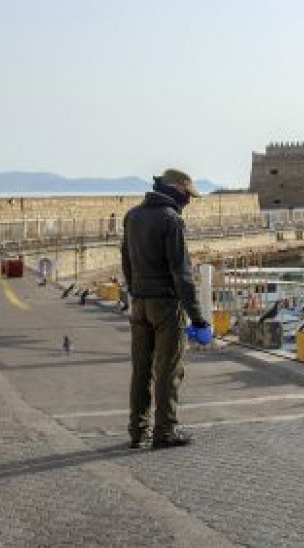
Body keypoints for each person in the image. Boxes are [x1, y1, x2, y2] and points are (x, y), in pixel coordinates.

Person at [121, 168, 209, 450]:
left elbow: (126, 262)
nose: (189, 201)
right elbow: (181, 274)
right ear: (177, 190)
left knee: (141, 370)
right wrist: (198, 318)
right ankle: (165, 431)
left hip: (139, 304)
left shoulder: (132, 216)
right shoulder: (171, 220)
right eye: (188, 195)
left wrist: (135, 293)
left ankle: (138, 430)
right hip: (165, 306)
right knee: (168, 370)